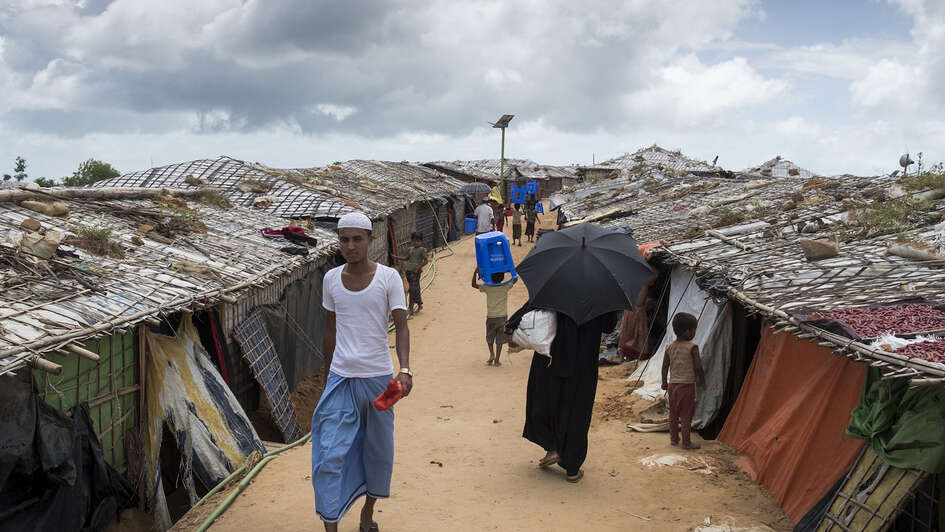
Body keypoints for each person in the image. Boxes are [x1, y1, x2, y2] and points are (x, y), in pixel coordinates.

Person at [310, 211, 414, 532]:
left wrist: (405, 369)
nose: (351, 246)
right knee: (329, 454)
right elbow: (330, 331)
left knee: (379, 451)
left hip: (382, 383)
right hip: (341, 380)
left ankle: (367, 514)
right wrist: (328, 376)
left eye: (357, 239)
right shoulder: (330, 279)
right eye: (344, 240)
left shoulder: (389, 278)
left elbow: (402, 325)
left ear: (371, 239)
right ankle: (331, 523)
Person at [518, 308, 621, 482]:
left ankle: (552, 447)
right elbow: (609, 326)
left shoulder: (556, 286)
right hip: (583, 362)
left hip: (552, 358)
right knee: (577, 410)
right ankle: (572, 469)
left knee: (548, 400)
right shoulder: (601, 294)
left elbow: (534, 312)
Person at [661, 312, 706, 450]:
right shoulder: (692, 347)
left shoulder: (669, 347)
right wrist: (702, 381)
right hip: (686, 386)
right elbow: (698, 367)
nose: (694, 332)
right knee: (686, 415)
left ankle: (674, 439)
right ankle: (686, 442)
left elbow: (664, 366)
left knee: (673, 413)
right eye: (694, 330)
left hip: (673, 385)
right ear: (687, 332)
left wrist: (664, 382)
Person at [471, 266, 517, 366]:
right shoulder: (505, 287)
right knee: (500, 340)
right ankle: (497, 360)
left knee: (490, 337)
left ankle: (491, 354)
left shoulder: (488, 287)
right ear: (502, 278)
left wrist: (475, 272)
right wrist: (510, 269)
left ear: (490, 277)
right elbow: (515, 279)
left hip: (491, 317)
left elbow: (473, 285)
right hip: (502, 318)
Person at [394, 231, 428, 315]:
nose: (416, 242)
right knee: (413, 289)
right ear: (412, 241)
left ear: (421, 241)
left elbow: (426, 261)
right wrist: (396, 257)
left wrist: (418, 267)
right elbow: (406, 258)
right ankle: (419, 304)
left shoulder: (422, 250)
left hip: (415, 273)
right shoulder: (410, 249)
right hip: (408, 272)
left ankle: (411, 308)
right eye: (414, 240)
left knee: (412, 290)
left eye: (418, 241)